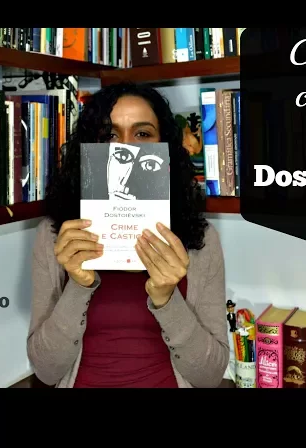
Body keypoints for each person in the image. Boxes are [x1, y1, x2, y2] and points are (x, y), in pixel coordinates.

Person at [27, 82, 229, 388]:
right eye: (109, 135)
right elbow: (46, 371)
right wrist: (78, 286)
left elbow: (209, 377)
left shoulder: (201, 241)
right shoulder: (57, 237)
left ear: (165, 148)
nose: (125, 148)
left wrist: (167, 298)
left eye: (143, 134)